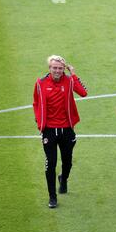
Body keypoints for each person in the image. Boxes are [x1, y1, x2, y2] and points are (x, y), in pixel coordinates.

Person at [33, 55, 88, 208]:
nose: (57, 71)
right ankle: (52, 197)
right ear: (49, 68)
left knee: (68, 161)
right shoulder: (40, 83)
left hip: (66, 129)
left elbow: (84, 93)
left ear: (64, 69)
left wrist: (74, 74)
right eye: (54, 68)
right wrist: (39, 123)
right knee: (50, 163)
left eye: (60, 68)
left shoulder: (69, 81)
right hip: (49, 130)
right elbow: (36, 103)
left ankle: (63, 179)